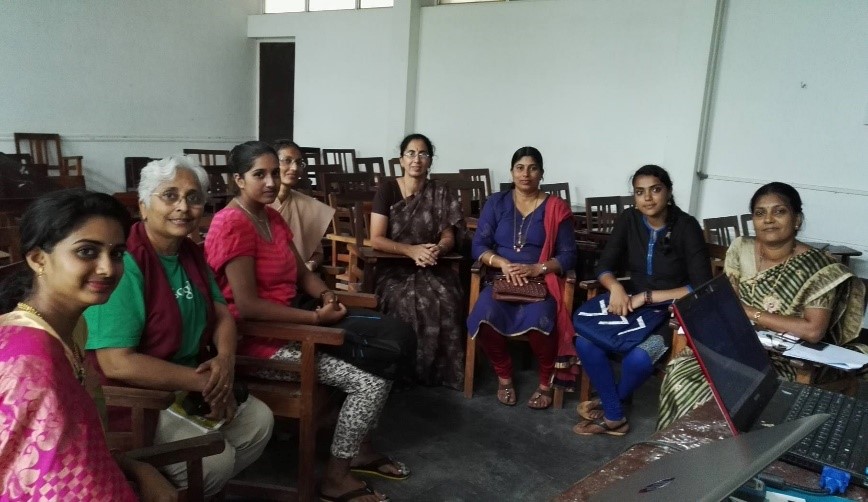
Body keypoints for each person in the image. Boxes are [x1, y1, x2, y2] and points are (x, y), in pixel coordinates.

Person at [204, 141, 416, 502]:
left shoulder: (270, 216)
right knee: (369, 383)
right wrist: (315, 318)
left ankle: (359, 447)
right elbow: (249, 306)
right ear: (238, 179)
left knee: (387, 349)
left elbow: (302, 273)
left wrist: (325, 295)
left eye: (274, 173)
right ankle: (336, 478)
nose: (271, 182)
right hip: (259, 342)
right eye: (260, 175)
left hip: (297, 325)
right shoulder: (232, 224)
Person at [84, 156, 275, 497]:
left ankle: (199, 492)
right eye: (169, 196)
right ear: (143, 206)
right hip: (137, 398)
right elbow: (118, 362)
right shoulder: (124, 262)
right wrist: (209, 384)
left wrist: (226, 361)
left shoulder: (189, 251)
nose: (183, 207)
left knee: (259, 422)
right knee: (214, 461)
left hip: (190, 381)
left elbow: (222, 312)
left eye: (194, 197)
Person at [0, 189, 176, 501]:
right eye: (87, 252)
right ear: (39, 259)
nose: (108, 268)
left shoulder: (73, 328)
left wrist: (136, 469)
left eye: (117, 254)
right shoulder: (30, 361)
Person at [657, 182, 866, 430]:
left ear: (797, 219)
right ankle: (672, 452)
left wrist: (749, 312)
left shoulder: (819, 268)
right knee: (681, 375)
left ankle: (726, 461)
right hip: (734, 348)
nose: (768, 219)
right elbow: (726, 303)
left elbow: (813, 330)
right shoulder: (740, 249)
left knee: (718, 399)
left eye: (779, 211)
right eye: (760, 213)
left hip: (780, 360)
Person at [572, 165, 711, 436]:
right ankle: (615, 414)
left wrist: (647, 297)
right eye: (640, 192)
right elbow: (604, 264)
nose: (647, 198)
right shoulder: (629, 219)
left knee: (638, 359)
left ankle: (611, 409)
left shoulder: (687, 227)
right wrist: (615, 288)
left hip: (670, 313)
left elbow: (700, 286)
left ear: (668, 192)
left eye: (655, 190)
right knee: (584, 341)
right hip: (630, 302)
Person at [466, 146, 577, 409]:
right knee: (483, 316)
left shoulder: (555, 207)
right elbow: (478, 245)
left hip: (540, 283)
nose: (525, 174)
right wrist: (502, 263)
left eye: (532, 168)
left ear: (541, 173)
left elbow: (569, 255)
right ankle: (504, 376)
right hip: (500, 280)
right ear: (512, 171)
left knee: (541, 322)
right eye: (519, 168)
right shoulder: (496, 202)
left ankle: (544, 382)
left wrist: (537, 268)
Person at [369, 133, 466, 389]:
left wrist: (439, 249)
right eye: (411, 153)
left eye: (423, 154)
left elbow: (448, 236)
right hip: (394, 266)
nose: (416, 159)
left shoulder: (440, 192)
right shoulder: (387, 189)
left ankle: (439, 374)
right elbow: (376, 239)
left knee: (447, 299)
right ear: (401, 159)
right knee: (404, 302)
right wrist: (410, 251)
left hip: (433, 265)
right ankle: (402, 373)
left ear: (430, 161)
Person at [270, 139, 334, 271]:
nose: (294, 168)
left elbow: (318, 254)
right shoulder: (258, 204)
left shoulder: (309, 207)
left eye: (299, 163)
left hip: (300, 278)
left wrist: (312, 264)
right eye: (287, 160)